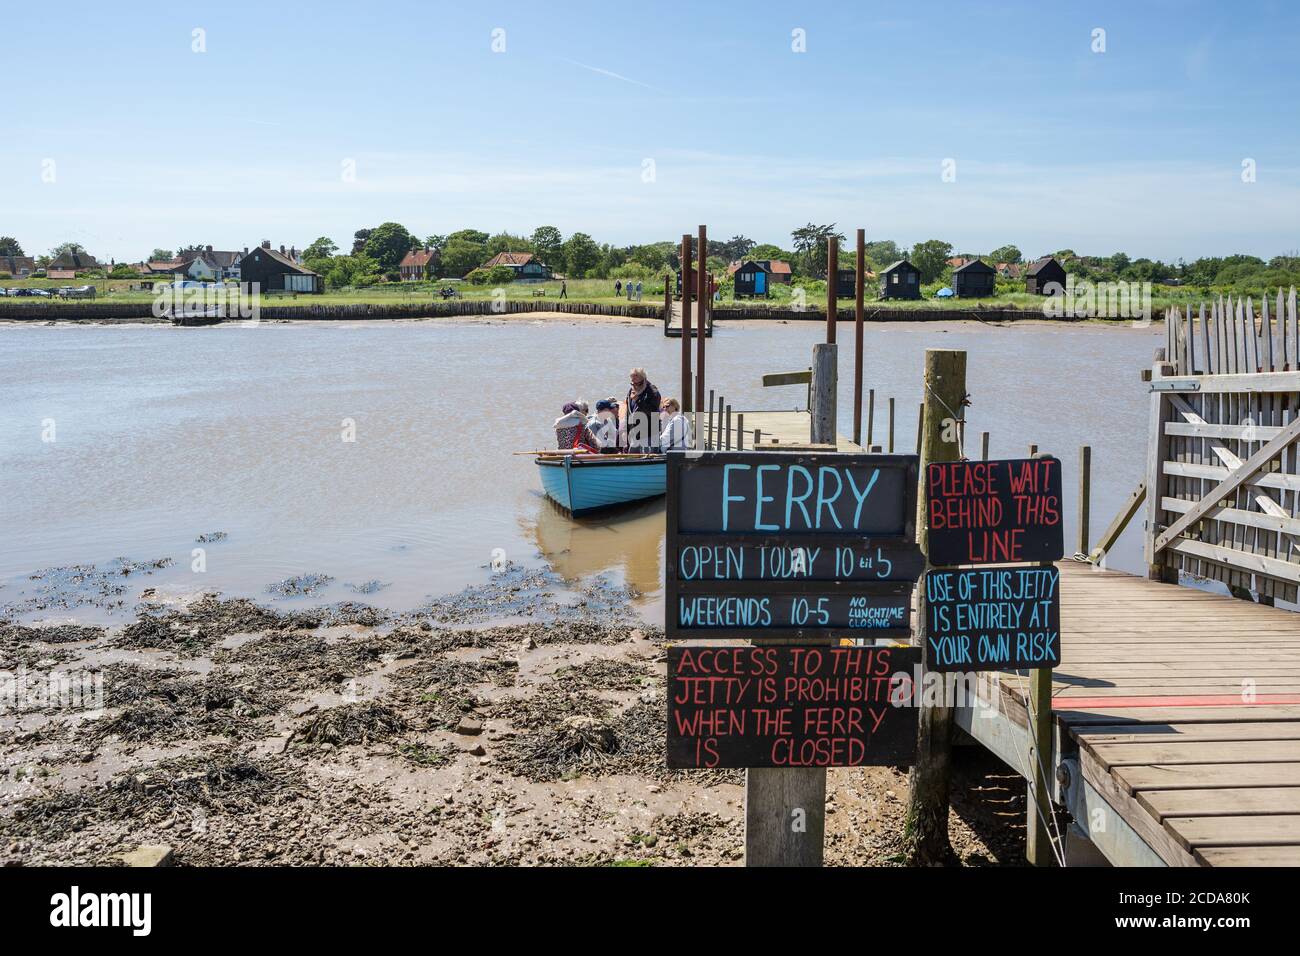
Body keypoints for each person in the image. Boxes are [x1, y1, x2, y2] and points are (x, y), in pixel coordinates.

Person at [624, 367, 662, 451]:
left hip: (650, 435)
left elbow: (653, 412)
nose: (635, 386)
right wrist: (626, 439)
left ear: (644, 380)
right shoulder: (631, 392)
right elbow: (628, 414)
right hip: (634, 435)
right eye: (633, 383)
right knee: (631, 460)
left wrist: (638, 401)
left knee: (649, 460)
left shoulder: (653, 391)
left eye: (638, 384)